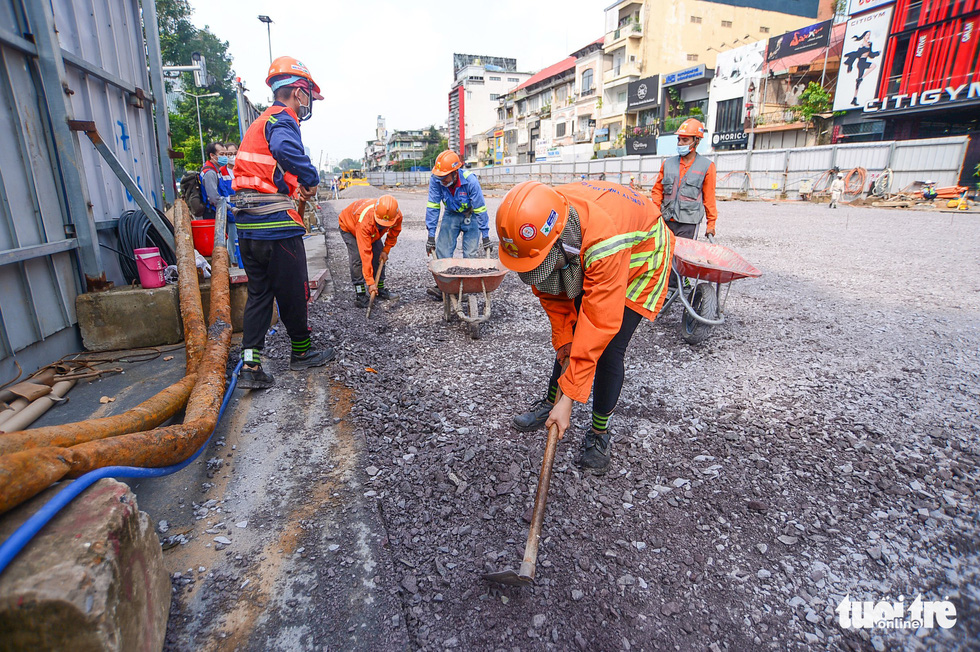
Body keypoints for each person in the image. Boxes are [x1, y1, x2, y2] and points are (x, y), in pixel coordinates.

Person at [498, 180, 674, 474]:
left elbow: (598, 325)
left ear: (559, 242)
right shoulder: (545, 219)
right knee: (572, 337)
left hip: (641, 257)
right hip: (587, 247)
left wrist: (570, 399)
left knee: (608, 348)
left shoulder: (602, 242)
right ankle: (551, 403)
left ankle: (599, 434)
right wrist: (565, 342)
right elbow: (553, 299)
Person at [231, 55, 334, 389]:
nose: (307, 105)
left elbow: (270, 167)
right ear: (298, 92)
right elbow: (285, 148)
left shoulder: (258, 123)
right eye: (308, 97)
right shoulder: (281, 119)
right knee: (292, 292)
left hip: (248, 228)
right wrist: (310, 176)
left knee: (259, 294)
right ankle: (301, 353)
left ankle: (250, 366)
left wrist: (295, 181)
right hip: (275, 226)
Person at [425, 150, 491, 298]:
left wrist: (485, 236)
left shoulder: (471, 181)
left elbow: (480, 209)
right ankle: (444, 286)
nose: (442, 180)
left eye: (445, 176)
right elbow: (433, 206)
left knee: (470, 255)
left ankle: (466, 290)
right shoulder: (436, 180)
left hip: (471, 215)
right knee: (443, 251)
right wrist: (430, 235)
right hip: (451, 214)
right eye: (439, 176)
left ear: (455, 172)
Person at [650, 118, 716, 242]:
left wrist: (711, 224)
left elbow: (709, 199)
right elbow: (657, 191)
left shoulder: (706, 166)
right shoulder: (667, 164)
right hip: (666, 219)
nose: (680, 143)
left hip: (689, 222)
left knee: (683, 256)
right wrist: (655, 215)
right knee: (664, 256)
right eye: (679, 139)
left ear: (696, 141)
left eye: (685, 140)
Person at [339, 195, 402, 307]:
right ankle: (360, 294)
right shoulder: (365, 220)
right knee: (357, 258)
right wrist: (370, 282)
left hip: (372, 231)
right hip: (350, 227)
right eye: (381, 223)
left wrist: (385, 250)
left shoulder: (395, 215)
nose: (383, 226)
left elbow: (394, 233)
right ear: (376, 215)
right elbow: (365, 253)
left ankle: (380, 288)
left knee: (379, 255)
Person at [843, 31, 880, 107]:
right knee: (873, 66)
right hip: (861, 63)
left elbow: (871, 55)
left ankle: (854, 97)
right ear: (864, 36)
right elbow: (858, 54)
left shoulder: (869, 44)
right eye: (867, 35)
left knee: (873, 66)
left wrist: (877, 53)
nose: (868, 36)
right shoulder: (861, 45)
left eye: (869, 35)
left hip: (864, 62)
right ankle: (855, 95)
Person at [199, 142, 226, 219]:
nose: (224, 157)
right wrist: (228, 207)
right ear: (212, 155)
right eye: (221, 154)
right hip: (214, 213)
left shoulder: (216, 170)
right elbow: (213, 198)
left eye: (225, 154)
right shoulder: (210, 173)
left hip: (217, 211)